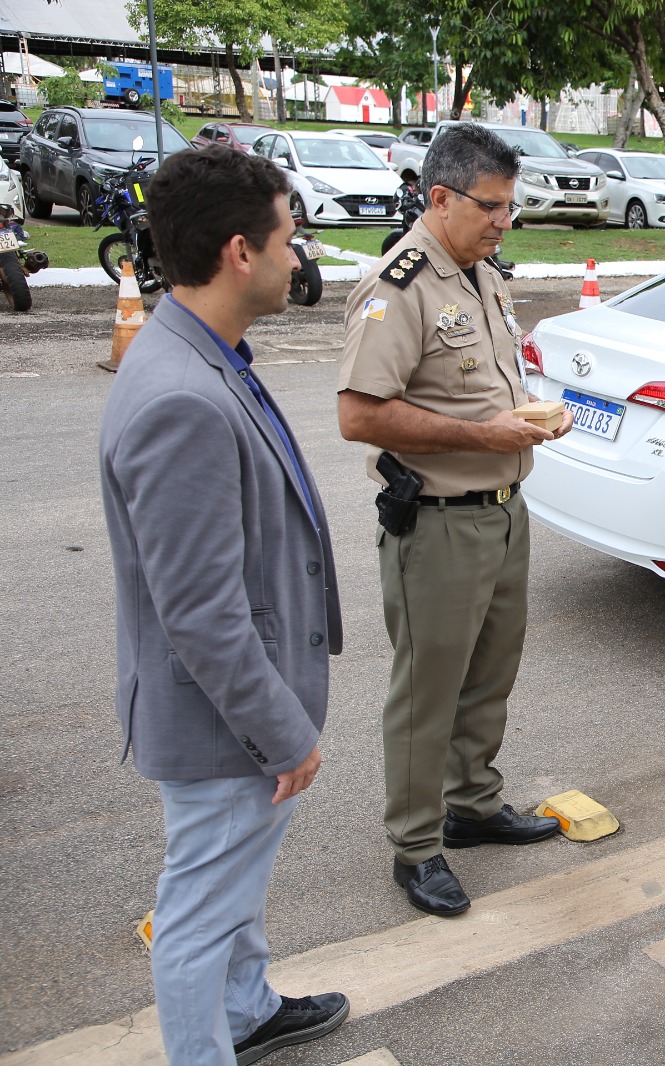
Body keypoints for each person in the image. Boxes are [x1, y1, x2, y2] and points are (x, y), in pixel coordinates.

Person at [99, 145, 348, 1065]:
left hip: (229, 712)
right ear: (241, 251)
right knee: (199, 913)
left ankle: (247, 1010)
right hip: (224, 722)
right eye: (291, 238)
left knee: (229, 881)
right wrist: (282, 731)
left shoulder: (199, 349)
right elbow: (199, 611)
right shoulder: (182, 397)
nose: (300, 258)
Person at [338, 123, 574, 917]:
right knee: (427, 690)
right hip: (438, 521)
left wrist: (534, 419)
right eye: (492, 205)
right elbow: (360, 414)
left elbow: (486, 388)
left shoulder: (480, 275)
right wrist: (487, 436)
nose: (505, 220)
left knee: (489, 675)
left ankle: (471, 803)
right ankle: (415, 844)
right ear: (440, 199)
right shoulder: (398, 286)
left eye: (511, 206)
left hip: (505, 511)